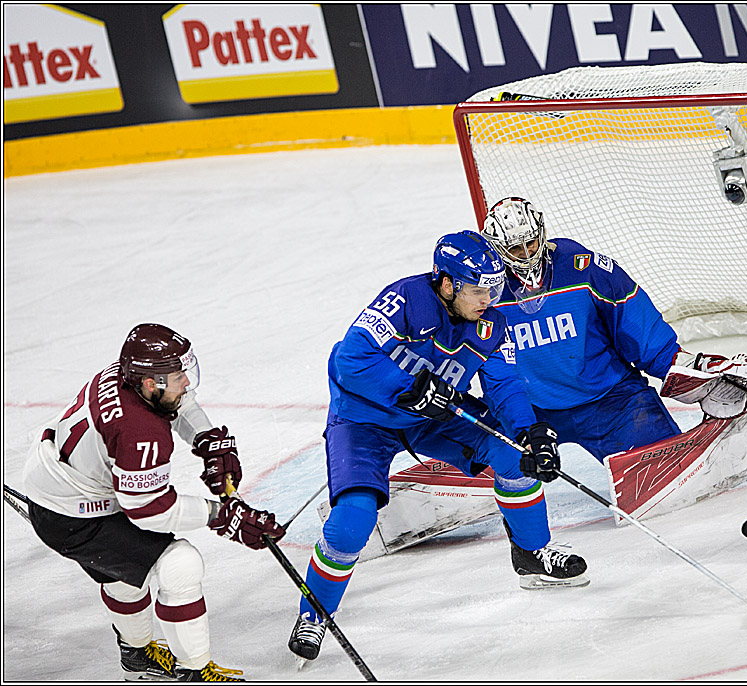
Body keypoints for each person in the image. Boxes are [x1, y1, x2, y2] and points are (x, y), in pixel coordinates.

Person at [287, 230, 589, 663]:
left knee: (514, 455)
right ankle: (314, 613)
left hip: (434, 415)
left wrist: (530, 430)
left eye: (495, 287)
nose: (489, 298)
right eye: (478, 289)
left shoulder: (492, 322)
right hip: (364, 419)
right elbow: (348, 361)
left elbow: (503, 385)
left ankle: (532, 553)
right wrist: (408, 387)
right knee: (351, 524)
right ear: (447, 284)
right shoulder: (404, 301)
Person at [19, 323, 286, 681]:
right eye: (178, 376)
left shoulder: (126, 374)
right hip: (72, 514)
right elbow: (149, 510)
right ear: (150, 383)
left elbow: (179, 402)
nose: (186, 383)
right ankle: (193, 671)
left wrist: (207, 439)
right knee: (180, 564)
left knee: (128, 569)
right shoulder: (140, 432)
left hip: (59, 487)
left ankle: (138, 655)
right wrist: (223, 517)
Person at [478, 196, 747, 464]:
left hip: (610, 401)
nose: (527, 254)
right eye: (516, 248)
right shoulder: (479, 293)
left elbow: (640, 331)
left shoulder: (585, 269)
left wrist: (689, 367)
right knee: (487, 455)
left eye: (531, 242)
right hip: (525, 412)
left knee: (667, 465)